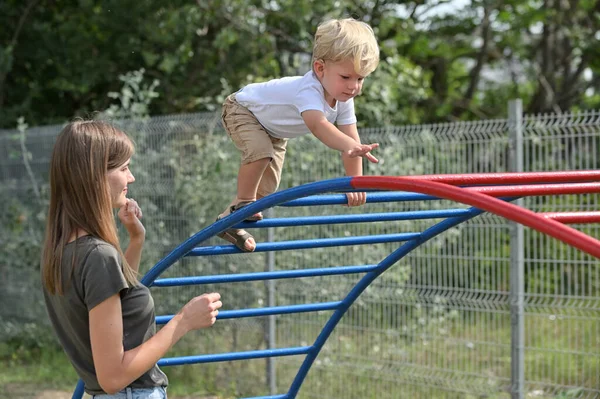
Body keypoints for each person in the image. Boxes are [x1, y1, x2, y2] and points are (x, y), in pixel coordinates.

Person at [41, 120, 223, 398]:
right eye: (124, 168)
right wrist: (183, 320)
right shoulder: (98, 256)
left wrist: (136, 240)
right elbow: (113, 376)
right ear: (95, 176)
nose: (131, 178)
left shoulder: (63, 251)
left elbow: (119, 308)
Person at [217, 18, 381, 252]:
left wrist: (354, 185)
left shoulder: (344, 98)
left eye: (360, 78)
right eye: (346, 77)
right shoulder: (309, 90)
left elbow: (352, 141)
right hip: (243, 110)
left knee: (267, 188)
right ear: (320, 68)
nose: (353, 86)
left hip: (273, 131)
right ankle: (244, 202)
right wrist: (349, 146)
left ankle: (228, 221)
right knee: (260, 154)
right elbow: (319, 125)